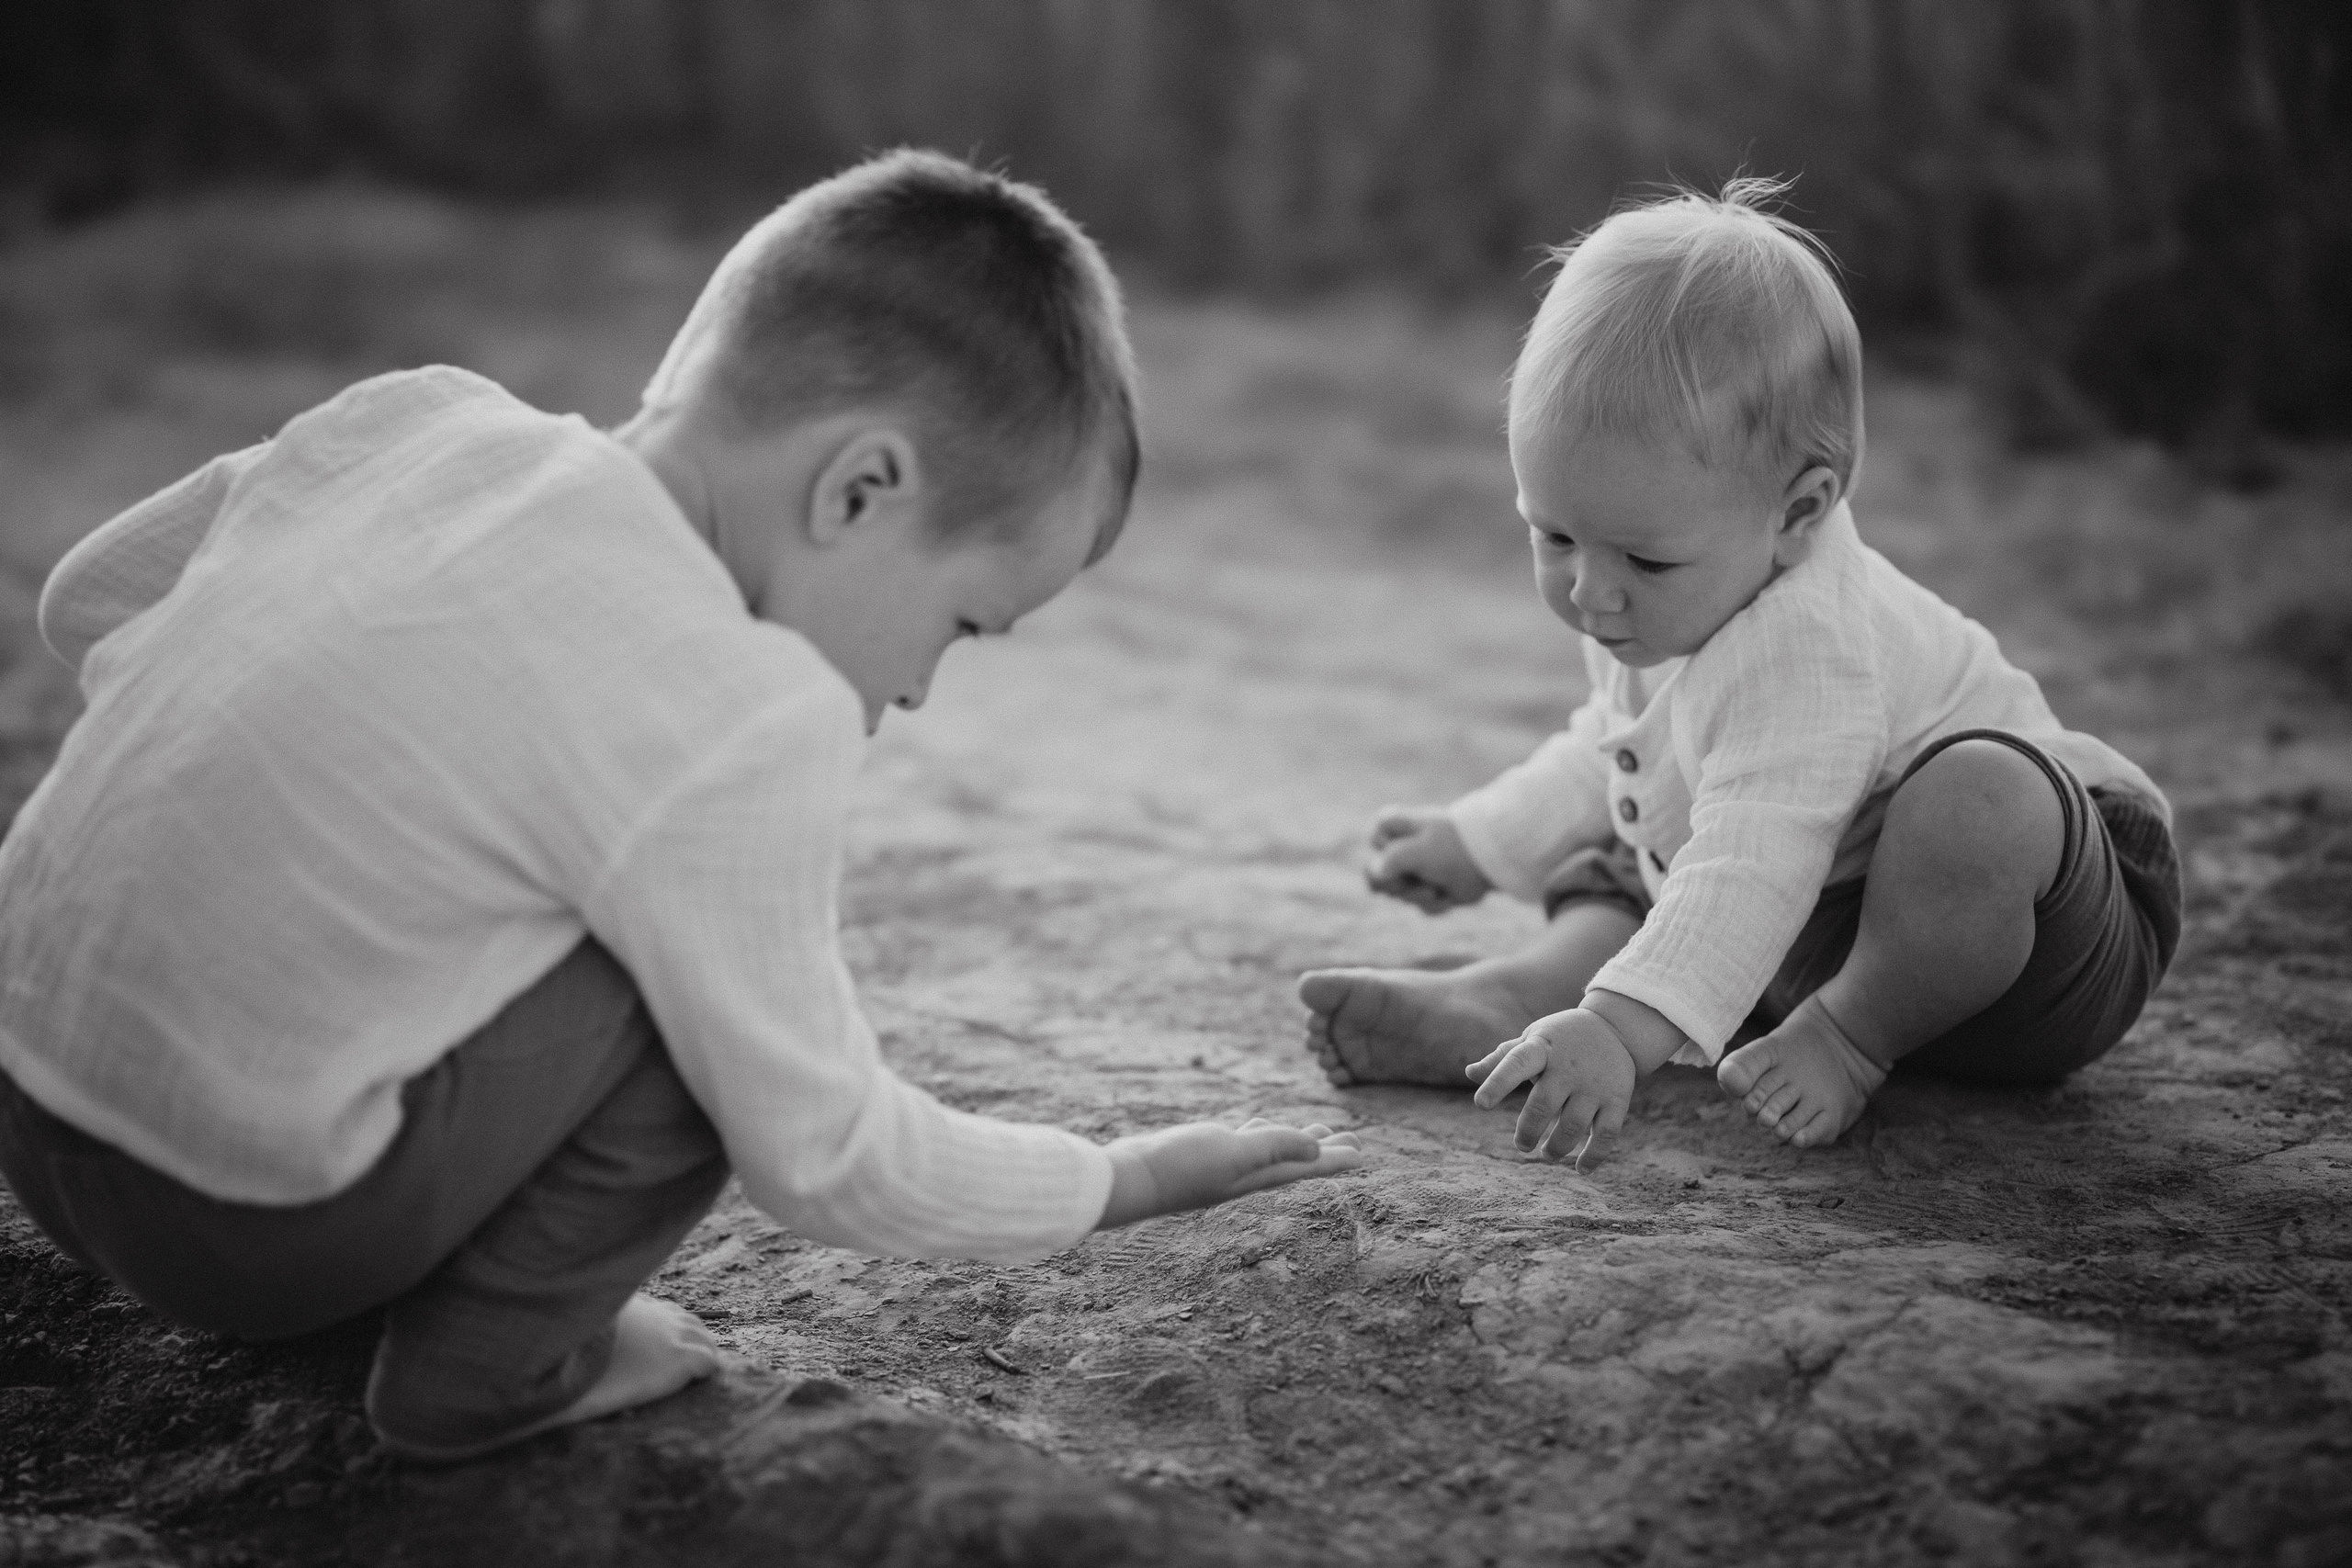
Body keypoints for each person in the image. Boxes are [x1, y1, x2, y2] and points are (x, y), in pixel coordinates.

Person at [0, 150, 1359, 1462]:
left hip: (27, 1094)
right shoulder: (744, 707)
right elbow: (826, 1150)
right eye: (959, 621)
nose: (925, 688)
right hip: (238, 1227)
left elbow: (91, 602)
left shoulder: (419, 419)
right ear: (860, 488)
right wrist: (1126, 1178)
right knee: (694, 1014)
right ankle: (494, 1374)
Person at [1297, 178, 2179, 1165]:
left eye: (1642, 559)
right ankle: (1528, 990)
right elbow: (1610, 749)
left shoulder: (1807, 648)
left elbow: (1754, 859)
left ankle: (1850, 1035)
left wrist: (1630, 1038)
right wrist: (1481, 840)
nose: (1591, 594)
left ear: (1800, 513)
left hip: (2039, 943)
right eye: (1552, 535)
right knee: (1643, 826)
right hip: (1814, 925)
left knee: (1975, 800)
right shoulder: (1664, 590)